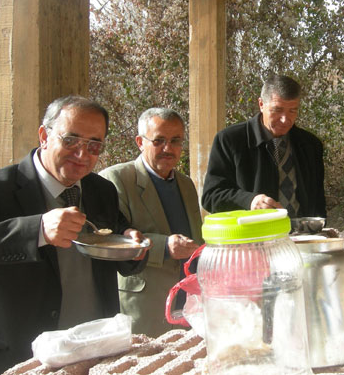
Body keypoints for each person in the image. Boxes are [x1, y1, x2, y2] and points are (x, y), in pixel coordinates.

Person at [0, 95, 149, 375]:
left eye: (94, 145)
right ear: (44, 135)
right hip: (15, 357)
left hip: (93, 355)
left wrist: (133, 245)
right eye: (70, 140)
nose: (82, 154)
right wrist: (37, 229)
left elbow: (116, 237)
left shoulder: (101, 190)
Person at [100, 108, 202, 337]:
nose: (169, 149)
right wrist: (164, 246)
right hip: (145, 303)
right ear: (140, 142)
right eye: (159, 141)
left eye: (176, 141)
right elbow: (110, 239)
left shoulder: (186, 184)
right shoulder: (115, 179)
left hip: (189, 301)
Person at [201, 75, 326, 219]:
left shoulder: (310, 145)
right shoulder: (230, 140)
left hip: (301, 237)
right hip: (251, 237)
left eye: (292, 111)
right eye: (277, 110)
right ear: (261, 104)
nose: (285, 119)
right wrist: (249, 201)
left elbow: (318, 201)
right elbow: (211, 197)